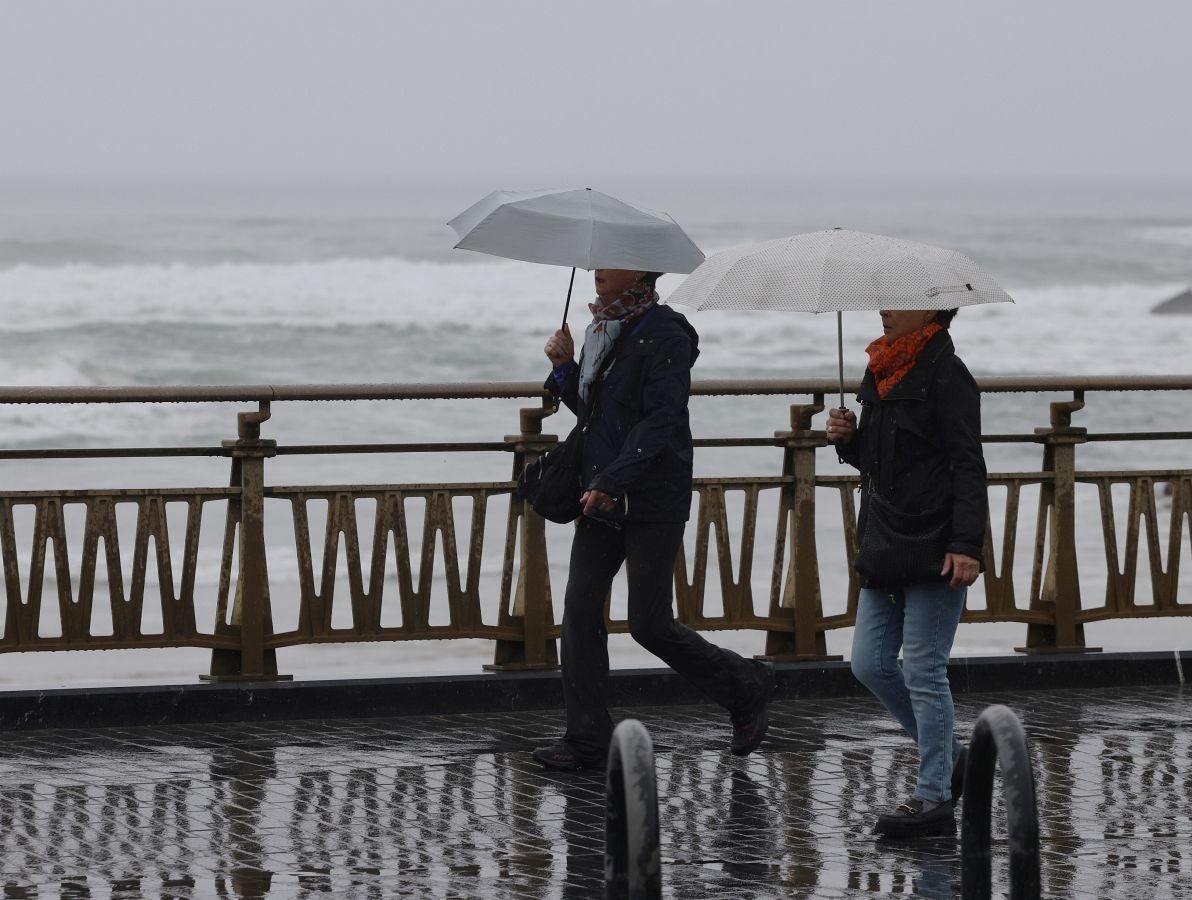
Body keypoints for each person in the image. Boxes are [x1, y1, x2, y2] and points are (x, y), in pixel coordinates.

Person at [531, 268, 776, 771]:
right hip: (601, 497)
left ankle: (745, 685)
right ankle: (587, 739)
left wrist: (613, 480)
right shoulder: (605, 332)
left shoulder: (667, 333)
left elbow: (660, 419)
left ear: (641, 273)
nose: (599, 272)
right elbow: (595, 413)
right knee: (578, 614)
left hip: (651, 498)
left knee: (648, 623)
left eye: (612, 263)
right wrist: (564, 368)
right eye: (597, 263)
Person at [825, 307, 987, 839]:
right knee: (869, 663)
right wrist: (849, 441)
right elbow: (879, 459)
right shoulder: (880, 368)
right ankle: (952, 759)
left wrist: (967, 545)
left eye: (897, 299)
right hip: (886, 540)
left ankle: (934, 796)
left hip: (937, 542)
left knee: (922, 668)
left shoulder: (948, 373)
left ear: (931, 310)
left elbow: (968, 462)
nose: (884, 308)